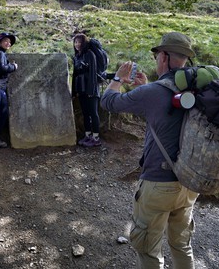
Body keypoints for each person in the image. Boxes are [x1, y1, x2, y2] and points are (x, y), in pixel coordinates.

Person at [101, 32, 199, 269]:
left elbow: (108, 102)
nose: (156, 60)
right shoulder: (198, 87)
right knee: (182, 245)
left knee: (148, 250)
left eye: (157, 55)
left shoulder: (153, 92)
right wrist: (144, 88)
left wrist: (118, 78)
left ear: (164, 56)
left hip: (157, 183)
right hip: (190, 182)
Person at [71, 33, 101, 147]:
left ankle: (96, 138)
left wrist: (91, 90)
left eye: (79, 42)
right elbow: (75, 75)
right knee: (85, 114)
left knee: (93, 113)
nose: (77, 44)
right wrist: (74, 92)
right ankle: (88, 136)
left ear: (84, 43)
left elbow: (93, 73)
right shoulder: (77, 56)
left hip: (91, 90)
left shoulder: (89, 54)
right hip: (81, 90)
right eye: (76, 42)